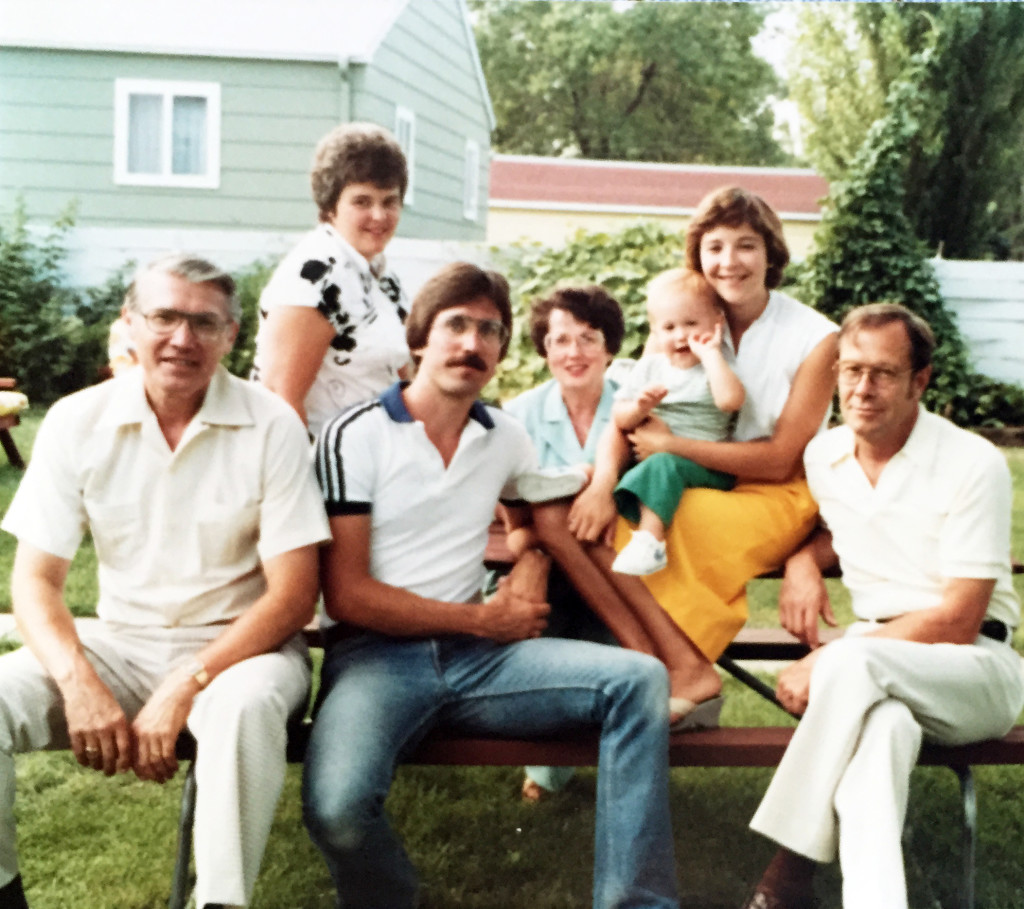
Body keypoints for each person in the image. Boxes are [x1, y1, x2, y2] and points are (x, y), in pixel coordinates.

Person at [302, 262, 679, 909]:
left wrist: (529, 563)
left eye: (489, 330)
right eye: (456, 325)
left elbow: (529, 512)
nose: (472, 343)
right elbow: (349, 595)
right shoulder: (353, 436)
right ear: (419, 339)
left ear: (502, 353)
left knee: (639, 679)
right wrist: (483, 618)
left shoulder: (504, 436)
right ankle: (396, 897)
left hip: (482, 664)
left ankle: (636, 902)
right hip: (376, 659)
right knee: (337, 811)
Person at [0, 254, 330, 909]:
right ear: (129, 325)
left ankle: (221, 903)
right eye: (164, 317)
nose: (183, 338)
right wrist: (78, 682)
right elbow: (35, 582)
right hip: (119, 642)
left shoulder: (271, 423)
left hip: (243, 649)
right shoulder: (76, 420)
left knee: (241, 708)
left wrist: (187, 681)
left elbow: (293, 595)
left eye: (204, 323)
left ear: (231, 336)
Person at [741, 303, 1024, 909]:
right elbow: (838, 524)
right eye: (850, 371)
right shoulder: (825, 457)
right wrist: (801, 562)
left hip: (975, 669)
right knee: (880, 741)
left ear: (920, 381)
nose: (861, 389)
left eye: (883, 374)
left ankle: (784, 870)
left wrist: (829, 660)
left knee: (846, 666)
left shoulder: (973, 463)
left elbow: (959, 618)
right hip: (879, 673)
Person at [532, 185, 838, 726]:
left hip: (775, 491)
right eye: (714, 246)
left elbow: (780, 460)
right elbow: (624, 415)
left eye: (746, 245)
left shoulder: (815, 338)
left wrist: (669, 446)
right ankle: (654, 664)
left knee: (621, 527)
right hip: (685, 476)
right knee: (565, 513)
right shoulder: (685, 315)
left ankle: (691, 671)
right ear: (697, 254)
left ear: (771, 253)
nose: (729, 261)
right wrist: (603, 483)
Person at [502, 285, 626, 801]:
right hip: (550, 562)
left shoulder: (633, 406)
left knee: (611, 661)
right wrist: (532, 547)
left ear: (610, 348)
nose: (573, 353)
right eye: (560, 340)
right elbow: (515, 523)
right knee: (540, 647)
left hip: (614, 563)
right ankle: (547, 767)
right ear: (544, 350)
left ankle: (613, 764)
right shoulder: (518, 413)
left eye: (588, 338)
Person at [251, 122, 410, 438]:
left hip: (380, 463)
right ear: (330, 206)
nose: (379, 215)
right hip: (324, 467)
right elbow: (280, 398)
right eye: (362, 201)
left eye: (389, 201)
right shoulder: (314, 276)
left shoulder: (382, 278)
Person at [611, 269, 744, 576]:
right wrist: (640, 407)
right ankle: (576, 478)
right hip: (651, 455)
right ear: (655, 333)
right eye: (669, 327)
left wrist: (710, 355)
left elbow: (730, 401)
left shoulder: (718, 366)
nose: (680, 335)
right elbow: (619, 416)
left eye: (691, 324)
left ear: (716, 323)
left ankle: (650, 541)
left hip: (708, 465)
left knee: (662, 466)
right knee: (608, 461)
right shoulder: (651, 366)